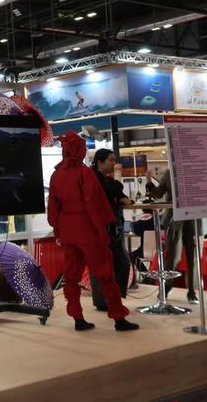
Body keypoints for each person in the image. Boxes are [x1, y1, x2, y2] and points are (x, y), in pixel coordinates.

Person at [47, 131, 139, 332]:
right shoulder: (84, 173)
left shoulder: (57, 174)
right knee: (105, 274)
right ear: (79, 150)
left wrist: (58, 231)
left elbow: (53, 208)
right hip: (87, 229)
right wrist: (102, 231)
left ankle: (78, 318)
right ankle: (118, 318)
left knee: (71, 277)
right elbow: (94, 206)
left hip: (68, 230)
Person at [89, 149, 134, 311]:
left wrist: (119, 193)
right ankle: (103, 301)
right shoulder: (93, 177)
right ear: (100, 162)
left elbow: (118, 193)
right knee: (103, 265)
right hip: (100, 228)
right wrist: (117, 188)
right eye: (110, 160)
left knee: (121, 262)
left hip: (112, 227)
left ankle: (113, 297)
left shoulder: (104, 179)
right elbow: (111, 190)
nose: (113, 163)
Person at [146, 168, 200, 303]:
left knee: (192, 255)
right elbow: (158, 194)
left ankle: (192, 290)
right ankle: (167, 287)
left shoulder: (196, 169)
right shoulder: (170, 172)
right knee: (172, 255)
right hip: (175, 217)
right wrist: (148, 181)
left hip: (194, 216)